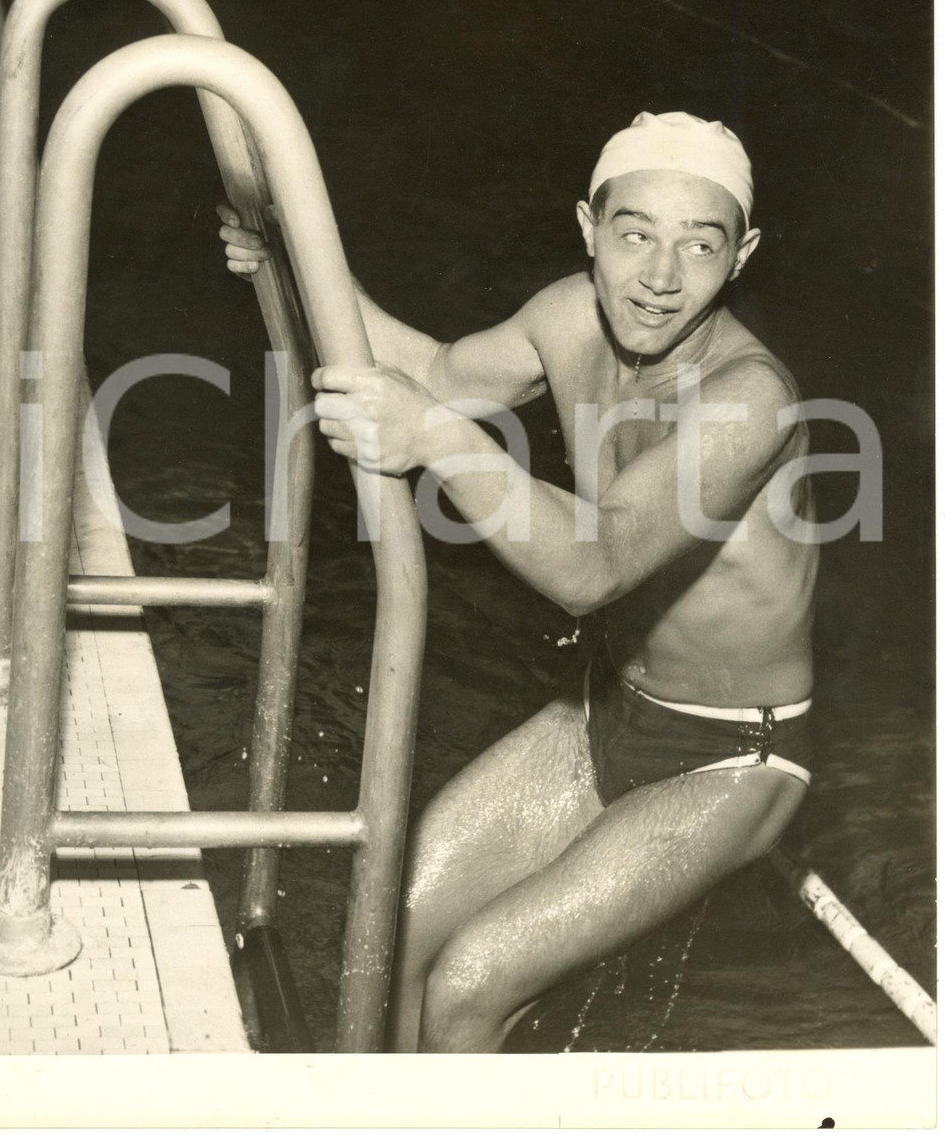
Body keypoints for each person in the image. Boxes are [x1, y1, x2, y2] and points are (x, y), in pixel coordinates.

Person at [218, 110, 818, 1053]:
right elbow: (434, 372)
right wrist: (292, 263)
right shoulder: (567, 315)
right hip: (603, 709)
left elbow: (598, 561)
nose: (660, 278)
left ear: (741, 254)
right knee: (395, 930)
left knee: (470, 984)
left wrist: (439, 439)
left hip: (731, 756)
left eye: (699, 247)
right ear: (588, 227)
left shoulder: (753, 398)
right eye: (634, 236)